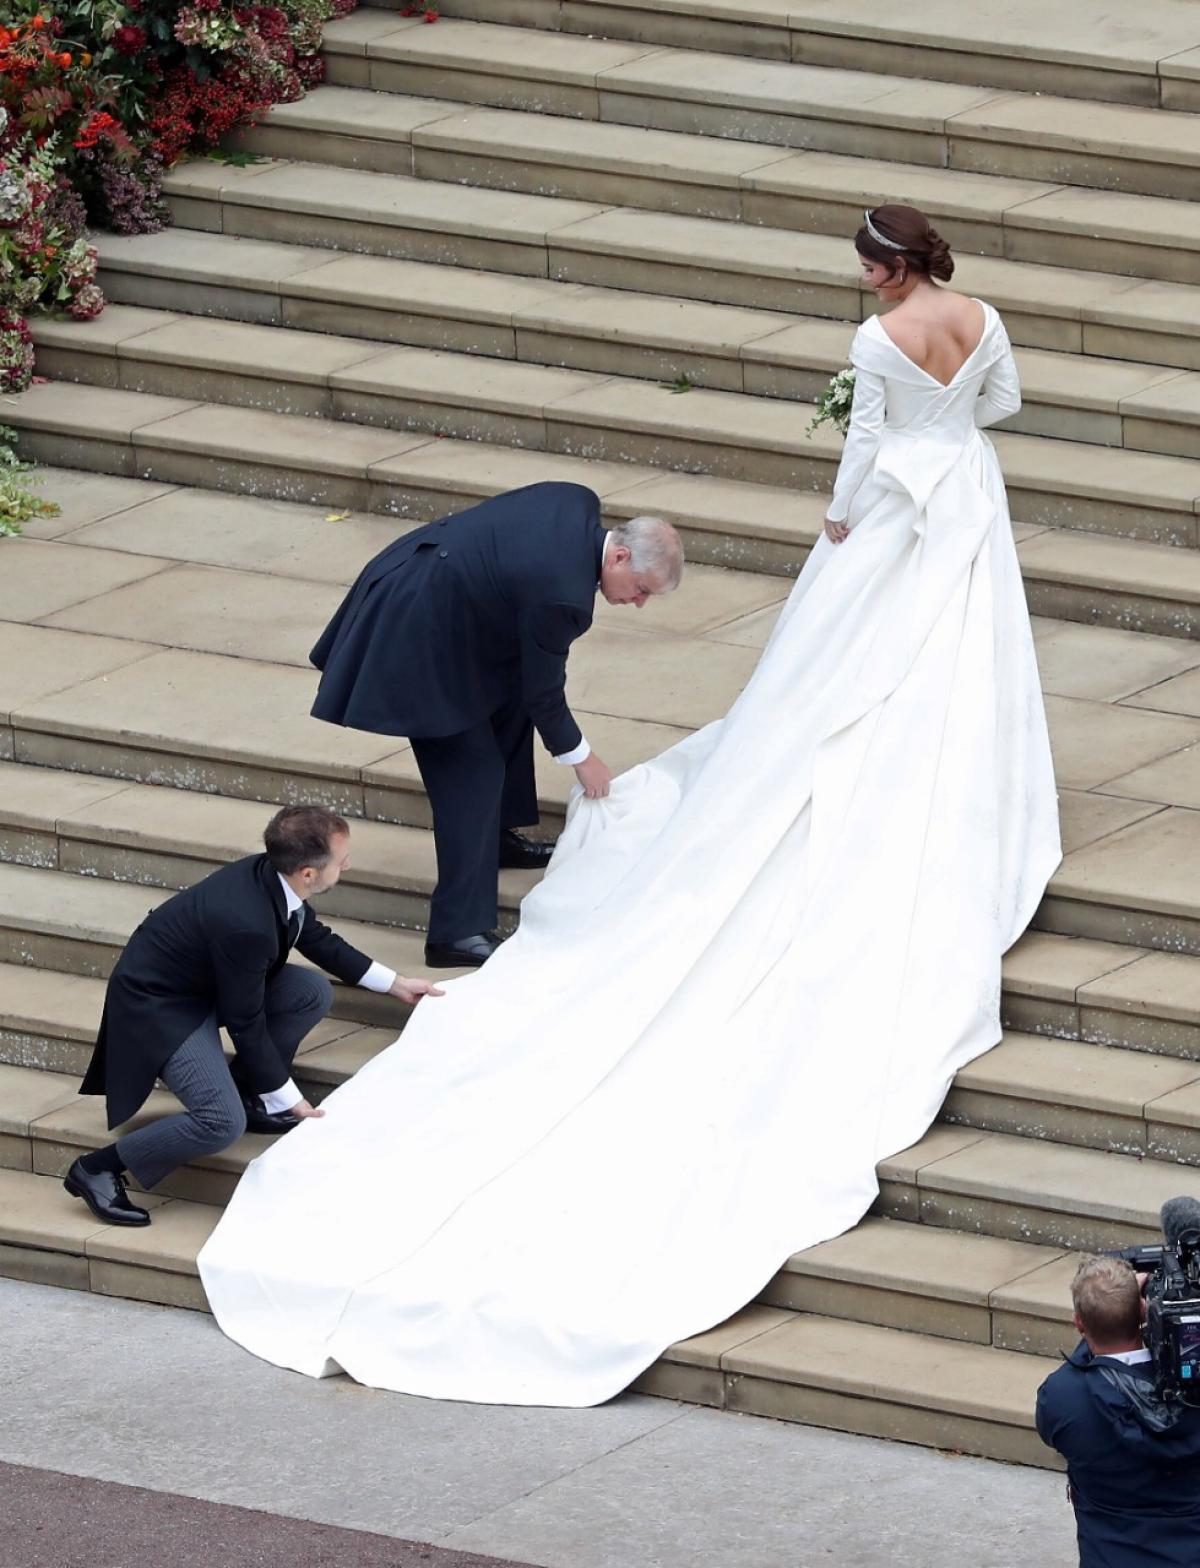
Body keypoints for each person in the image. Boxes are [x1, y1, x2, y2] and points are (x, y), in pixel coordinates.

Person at [198, 205, 1061, 1406]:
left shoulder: (875, 342)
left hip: (895, 510)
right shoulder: (980, 317)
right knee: (955, 658)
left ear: (885, 267)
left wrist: (842, 519)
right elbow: (1004, 406)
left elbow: (863, 455)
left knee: (829, 675)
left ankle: (478, 896)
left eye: (865, 266)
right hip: (965, 497)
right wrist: (948, 433)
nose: (861, 280)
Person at [308, 482, 684, 968]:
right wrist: (581, 757)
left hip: (441, 596)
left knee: (508, 701)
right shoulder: (563, 598)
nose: (639, 603)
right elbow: (546, 694)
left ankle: (498, 838)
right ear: (619, 557)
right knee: (472, 773)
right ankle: (457, 932)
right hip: (415, 630)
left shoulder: (576, 501)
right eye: (641, 590)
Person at [69, 805, 442, 1227]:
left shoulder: (272, 875)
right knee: (221, 1123)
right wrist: (289, 1097)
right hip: (161, 1005)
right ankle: (98, 1167)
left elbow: (315, 938)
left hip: (207, 982)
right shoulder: (247, 922)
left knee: (310, 992)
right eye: (342, 861)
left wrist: (396, 984)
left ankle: (251, 1094)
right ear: (308, 873)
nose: (348, 865)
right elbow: (245, 1022)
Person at [1036, 1256, 1200, 1565]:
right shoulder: (1190, 1394)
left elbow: (1082, 1374)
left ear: (1078, 1323)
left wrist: (1103, 1320)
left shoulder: (1061, 1398)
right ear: (1142, 1310)